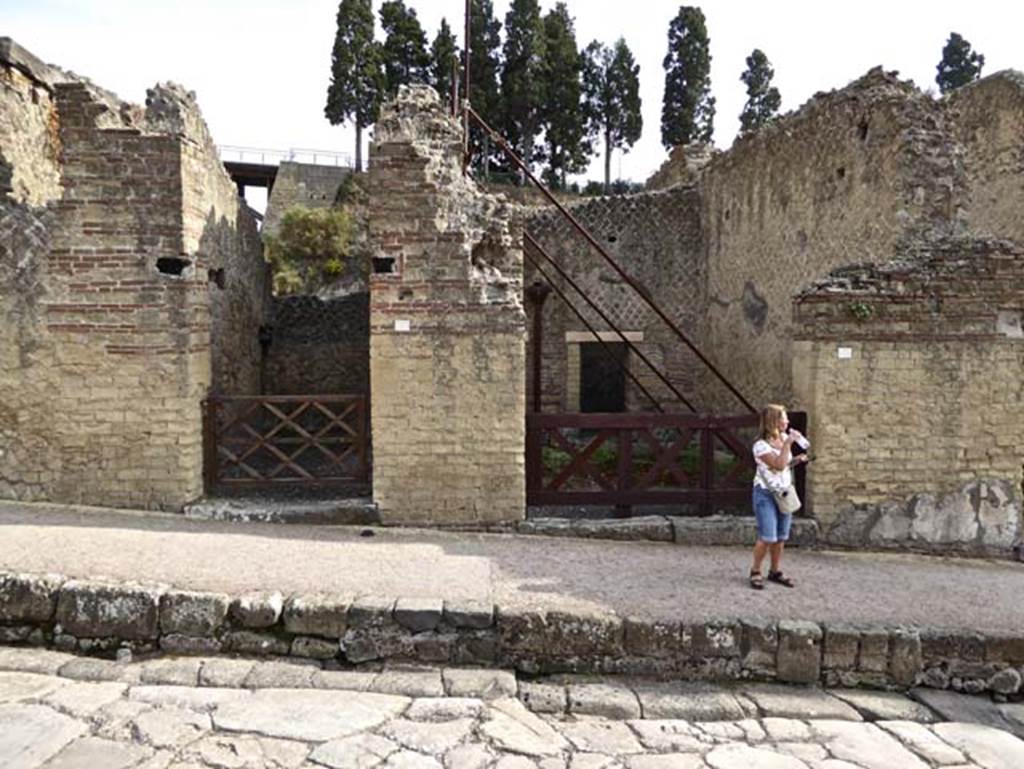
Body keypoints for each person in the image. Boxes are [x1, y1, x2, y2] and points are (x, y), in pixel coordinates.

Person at [749, 404, 809, 590]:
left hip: (784, 492)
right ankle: (755, 571)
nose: (787, 421)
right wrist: (789, 443)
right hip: (765, 494)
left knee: (781, 536)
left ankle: (775, 571)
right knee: (767, 536)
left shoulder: (783, 438)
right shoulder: (760, 445)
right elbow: (778, 465)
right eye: (784, 418)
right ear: (773, 421)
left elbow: (785, 464)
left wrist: (796, 460)